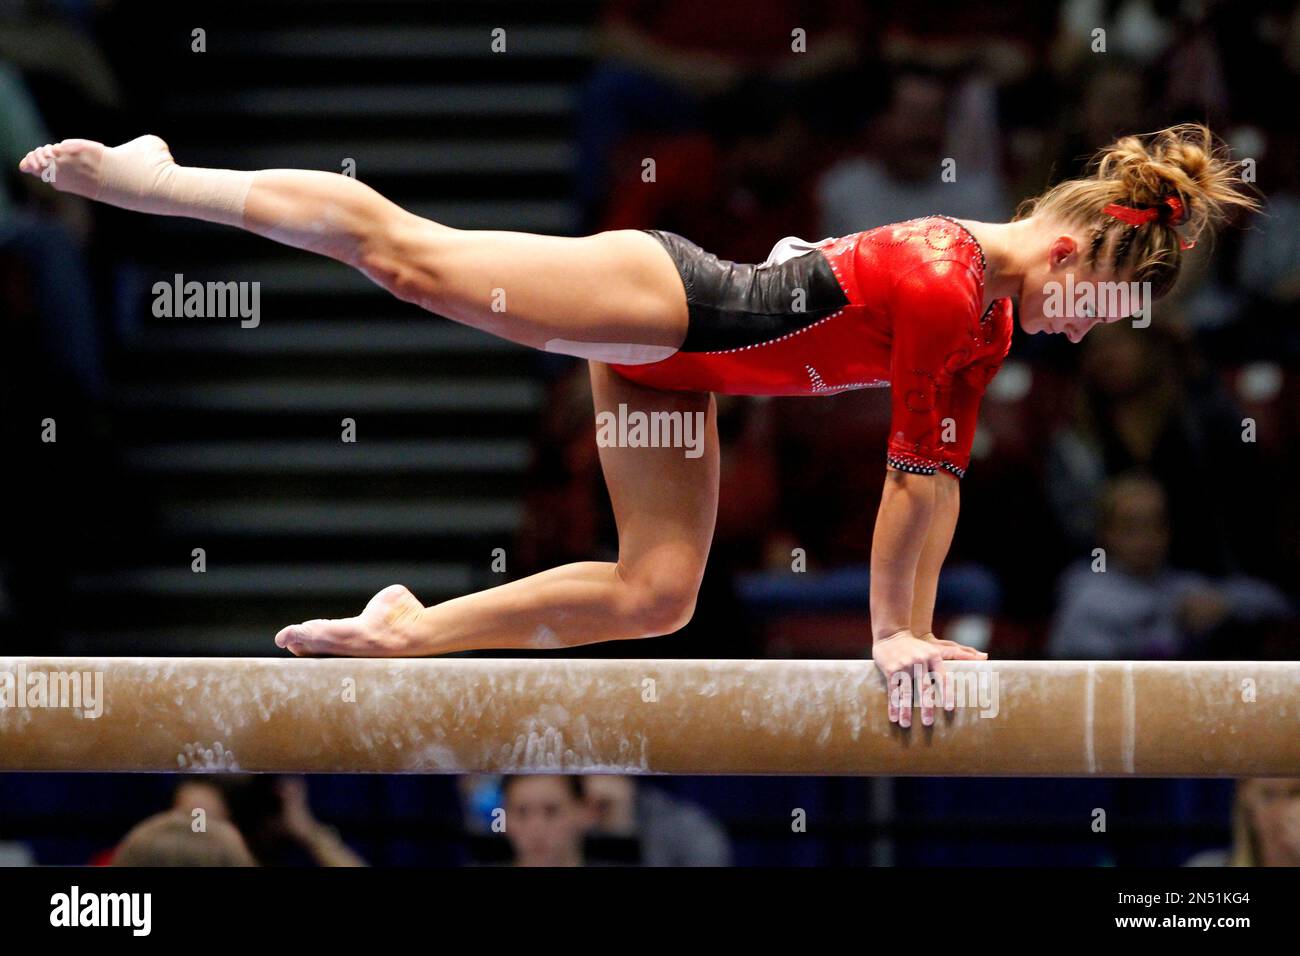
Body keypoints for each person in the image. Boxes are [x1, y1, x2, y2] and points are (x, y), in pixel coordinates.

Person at [19, 123, 1256, 729]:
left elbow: (934, 482)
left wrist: (906, 628)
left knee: (657, 592)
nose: (1092, 333)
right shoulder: (947, 279)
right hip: (669, 298)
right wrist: (899, 636)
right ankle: (163, 175)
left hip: (678, 372)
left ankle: (408, 629)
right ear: (1066, 246)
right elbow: (916, 483)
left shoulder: (985, 319)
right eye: (1098, 302)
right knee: (412, 262)